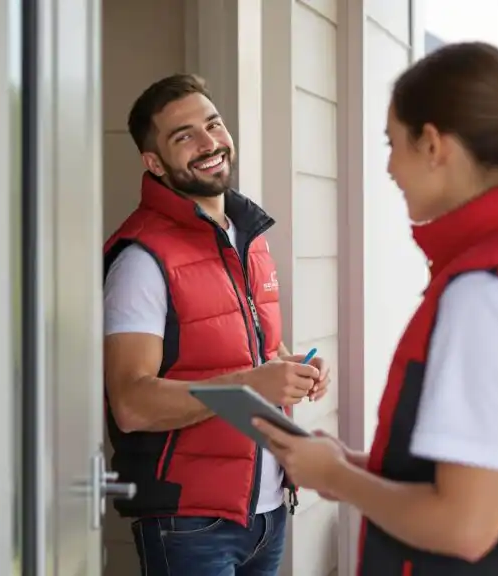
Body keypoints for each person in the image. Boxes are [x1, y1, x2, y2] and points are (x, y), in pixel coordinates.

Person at [253, 42, 498, 575]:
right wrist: (347, 465)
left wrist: (339, 480)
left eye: (393, 144)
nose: (389, 167)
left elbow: (464, 526)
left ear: (432, 144)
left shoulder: (488, 295)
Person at [103, 73, 332, 576]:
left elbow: (254, 353)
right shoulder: (142, 259)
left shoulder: (247, 237)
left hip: (267, 509)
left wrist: (289, 369)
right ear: (154, 162)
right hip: (189, 524)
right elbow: (130, 403)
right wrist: (253, 382)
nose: (209, 144)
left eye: (213, 125)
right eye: (184, 136)